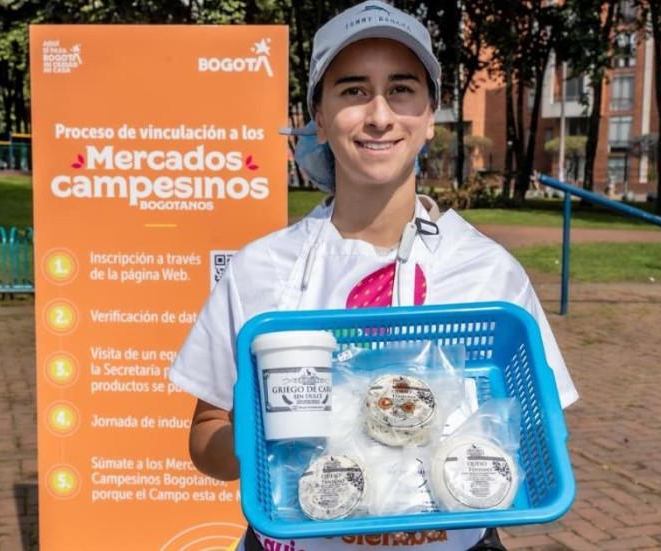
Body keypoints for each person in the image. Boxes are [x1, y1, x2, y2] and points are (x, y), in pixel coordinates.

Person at [168, 2, 579, 549]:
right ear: (320, 116)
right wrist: (266, 437)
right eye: (354, 90)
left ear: (430, 116)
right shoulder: (261, 270)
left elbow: (535, 435)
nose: (380, 115)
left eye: (402, 89)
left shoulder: (487, 271)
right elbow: (205, 441)